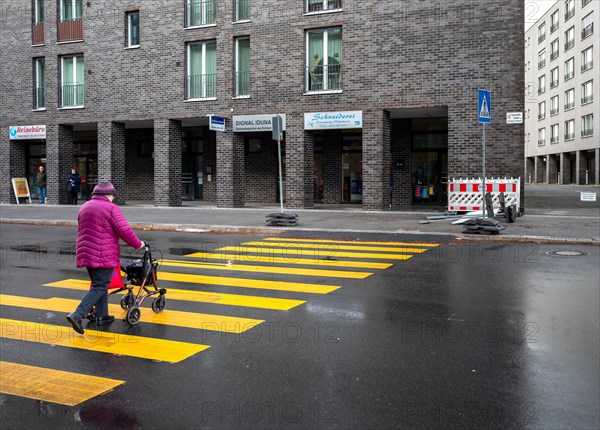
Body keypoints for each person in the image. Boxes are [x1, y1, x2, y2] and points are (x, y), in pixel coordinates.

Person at [66, 182, 144, 335]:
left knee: (99, 284)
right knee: (101, 286)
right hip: (103, 252)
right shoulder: (110, 208)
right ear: (108, 195)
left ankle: (103, 315)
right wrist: (138, 244)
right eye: (112, 196)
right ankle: (77, 315)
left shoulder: (85, 206)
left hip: (86, 251)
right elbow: (124, 229)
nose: (113, 199)